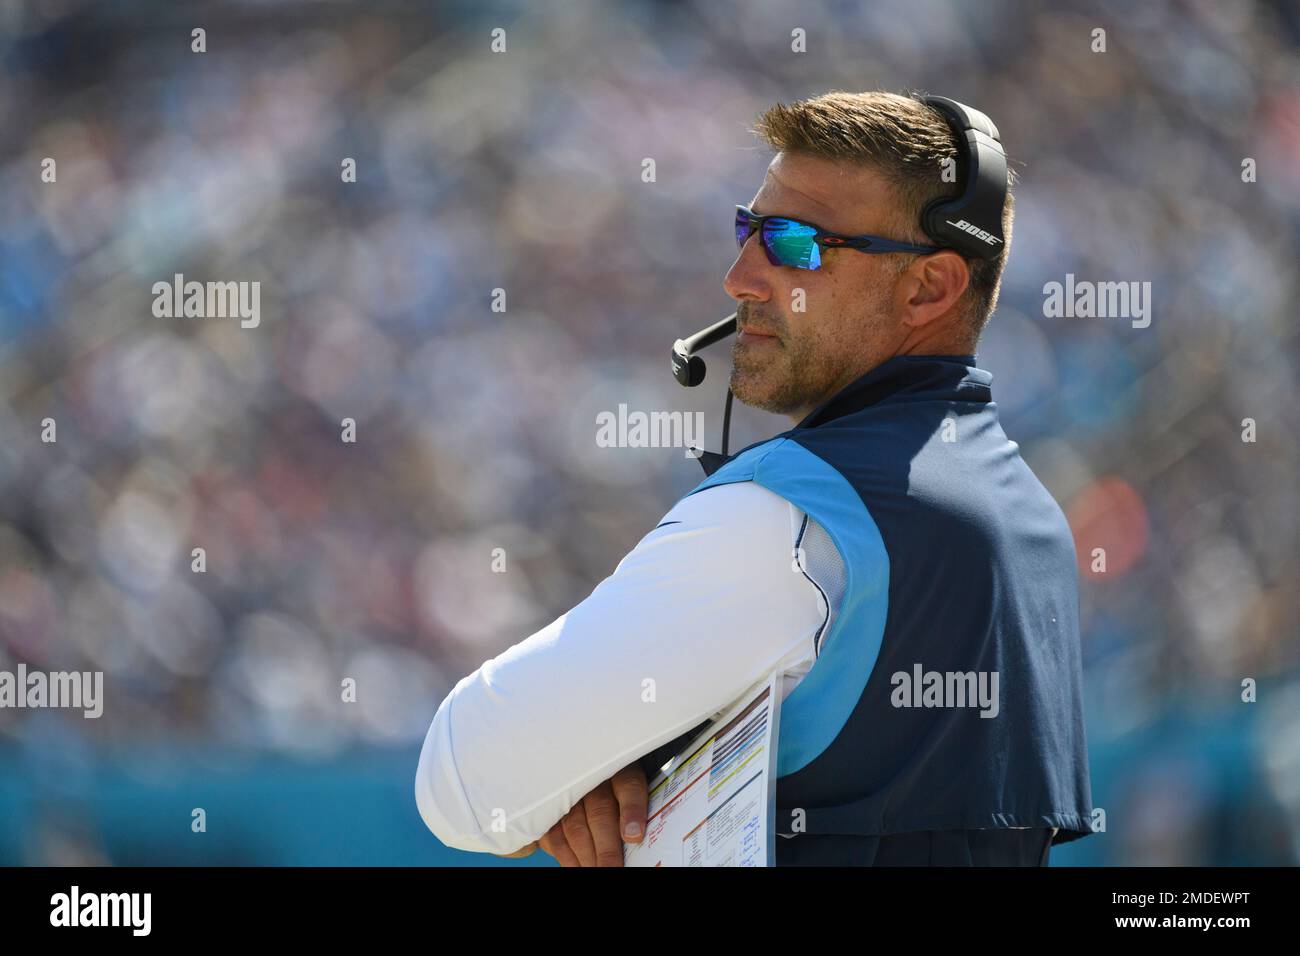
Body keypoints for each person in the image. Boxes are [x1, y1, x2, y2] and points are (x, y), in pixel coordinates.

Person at [414, 90, 1093, 866]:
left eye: (796, 243)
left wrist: (601, 770)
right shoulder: (1035, 525)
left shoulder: (789, 517)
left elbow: (462, 782)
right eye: (748, 229)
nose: (740, 277)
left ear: (928, 289)